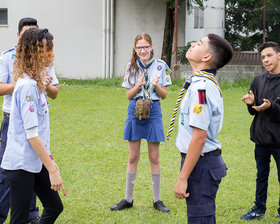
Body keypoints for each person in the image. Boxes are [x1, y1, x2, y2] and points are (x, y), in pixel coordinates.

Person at [1, 27, 65, 224]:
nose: (51, 54)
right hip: (21, 164)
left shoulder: (37, 83)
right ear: (35, 52)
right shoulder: (27, 86)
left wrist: (49, 159)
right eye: (48, 50)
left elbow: (40, 131)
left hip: (35, 160)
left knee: (54, 206)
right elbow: (31, 135)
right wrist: (52, 169)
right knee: (19, 219)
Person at [173, 33, 232, 223]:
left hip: (201, 164)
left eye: (198, 43)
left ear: (207, 57)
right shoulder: (200, 82)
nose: (192, 43)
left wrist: (183, 178)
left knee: (200, 219)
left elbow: (199, 137)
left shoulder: (202, 88)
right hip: (200, 161)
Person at [110, 33, 172, 213]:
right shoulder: (131, 66)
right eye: (139, 48)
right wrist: (137, 85)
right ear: (135, 49)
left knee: (154, 157)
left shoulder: (161, 66)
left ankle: (157, 200)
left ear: (151, 47)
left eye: (146, 47)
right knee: (133, 157)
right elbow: (128, 95)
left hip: (154, 110)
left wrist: (156, 85)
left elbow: (164, 95)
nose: (143, 51)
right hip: (134, 109)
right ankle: (128, 199)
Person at [241, 42, 280, 223]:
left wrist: (271, 107)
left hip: (279, 139)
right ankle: (259, 208)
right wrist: (251, 103)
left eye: (269, 55)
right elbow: (253, 111)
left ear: (279, 55)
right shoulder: (258, 80)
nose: (266, 60)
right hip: (261, 137)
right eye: (263, 57)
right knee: (261, 175)